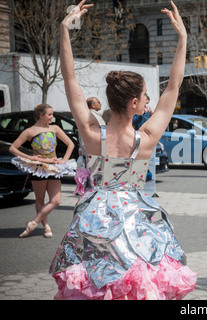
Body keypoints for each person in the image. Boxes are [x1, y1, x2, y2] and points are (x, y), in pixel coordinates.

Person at [49, 1, 196, 300]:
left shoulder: (91, 134)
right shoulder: (148, 138)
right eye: (143, 97)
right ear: (133, 103)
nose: (147, 101)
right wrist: (182, 39)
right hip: (138, 224)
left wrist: (64, 29)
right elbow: (174, 88)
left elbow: (70, 78)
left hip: (93, 224)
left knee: (98, 289)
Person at [9, 104, 76, 238]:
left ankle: (33, 223)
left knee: (56, 200)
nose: (52, 117)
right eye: (49, 114)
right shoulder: (29, 131)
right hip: (38, 167)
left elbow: (71, 144)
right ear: (41, 115)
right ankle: (46, 226)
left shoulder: (55, 128)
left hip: (53, 167)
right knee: (39, 199)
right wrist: (30, 157)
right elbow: (13, 148)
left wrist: (64, 160)